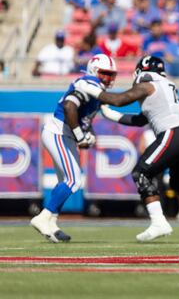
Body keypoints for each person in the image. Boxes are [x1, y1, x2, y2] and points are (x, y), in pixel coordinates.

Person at [76, 55, 179, 243]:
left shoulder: (147, 83)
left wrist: (92, 90)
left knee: (141, 173)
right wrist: (114, 116)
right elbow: (141, 120)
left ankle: (159, 222)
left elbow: (119, 99)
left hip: (173, 132)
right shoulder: (166, 85)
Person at [30, 55, 117, 243]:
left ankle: (51, 223)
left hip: (65, 135)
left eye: (112, 75)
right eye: (105, 74)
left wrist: (89, 132)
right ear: (94, 71)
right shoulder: (87, 83)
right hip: (59, 133)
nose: (109, 79)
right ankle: (43, 217)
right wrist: (80, 136)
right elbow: (70, 107)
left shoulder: (96, 90)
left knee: (65, 181)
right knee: (73, 180)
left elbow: (85, 117)